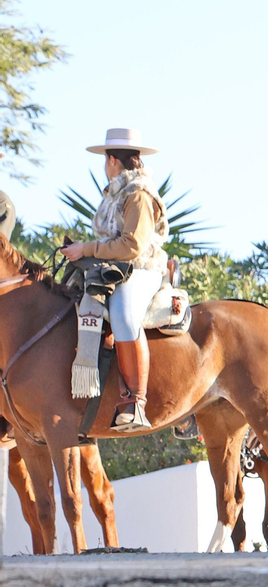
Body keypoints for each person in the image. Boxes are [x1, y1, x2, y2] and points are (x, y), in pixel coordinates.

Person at [62, 128, 169, 432]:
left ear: (111, 160)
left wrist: (87, 249)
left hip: (142, 269)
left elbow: (133, 246)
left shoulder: (138, 193)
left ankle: (136, 402)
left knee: (123, 315)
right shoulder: (118, 191)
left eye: (105, 160)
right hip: (113, 268)